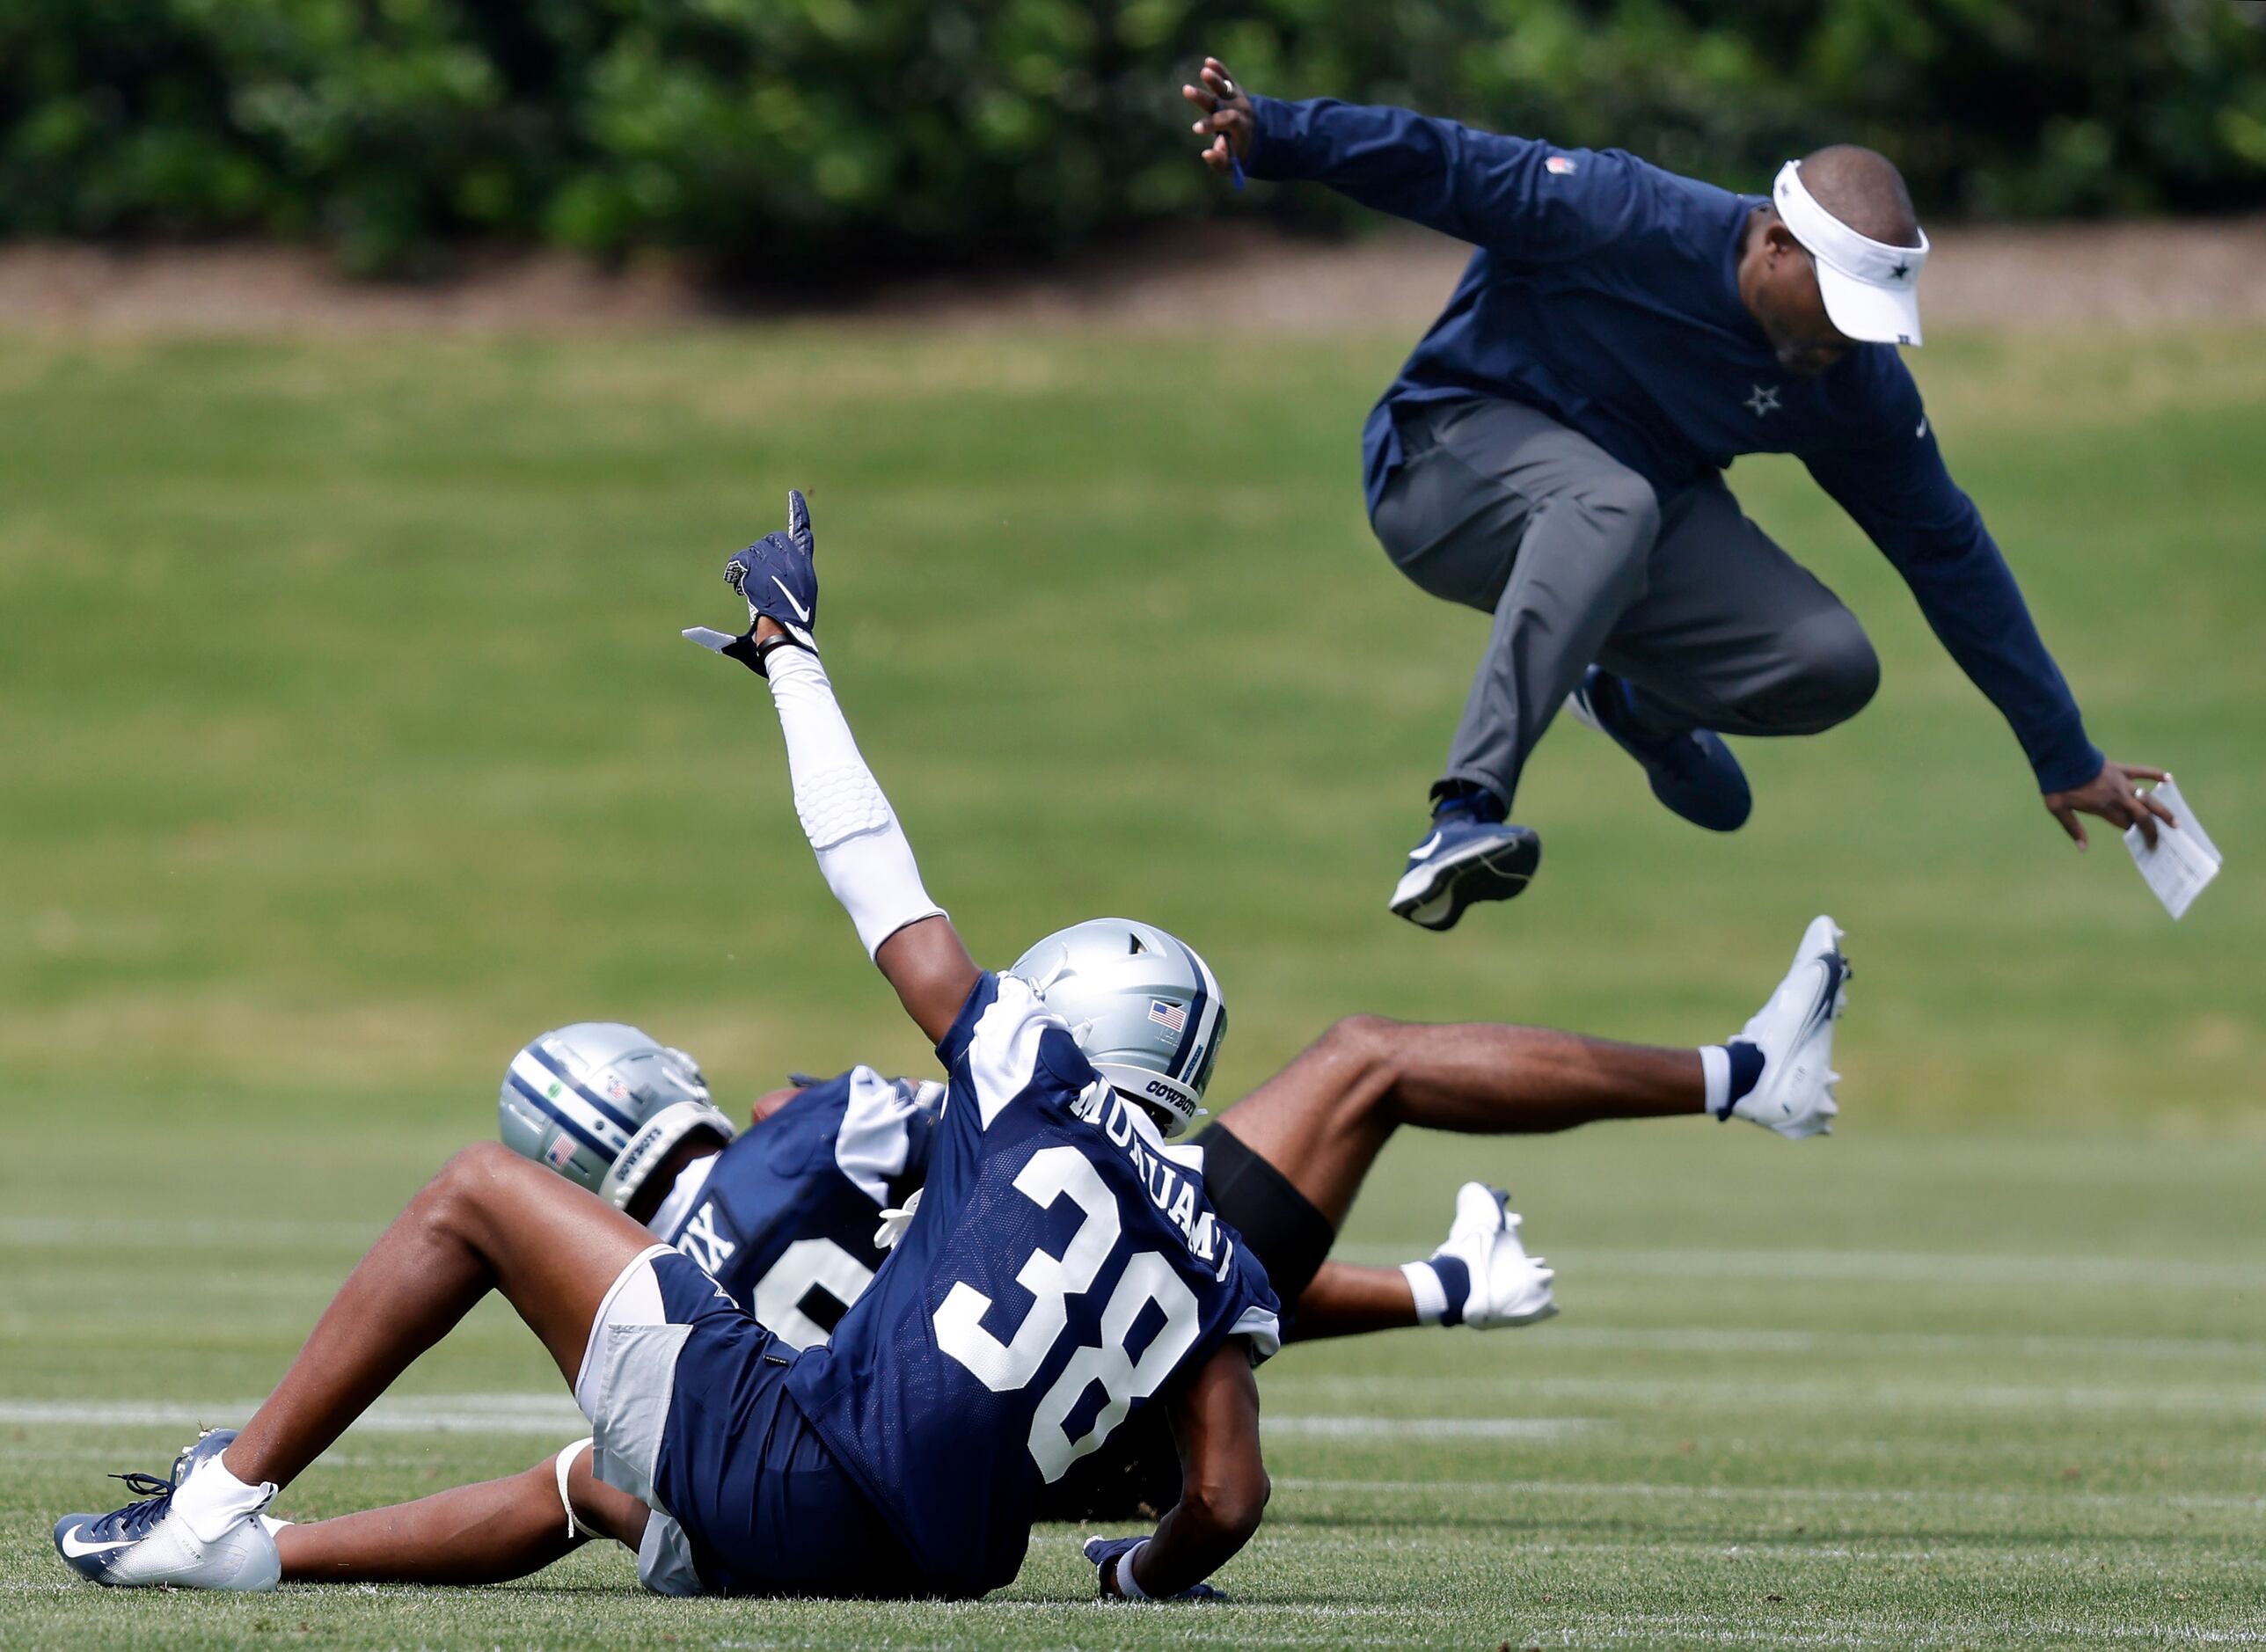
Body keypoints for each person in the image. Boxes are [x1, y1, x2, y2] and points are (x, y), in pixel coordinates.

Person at [49, 494, 1287, 1604]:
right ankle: (264, 1560)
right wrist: (1137, 1567)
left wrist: (793, 662)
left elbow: (878, 881)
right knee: (597, 1479)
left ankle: (217, 1504)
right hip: (929, 1567)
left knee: (476, 1192)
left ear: (1070, 1009)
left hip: (807, 1473)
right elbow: (1229, 1494)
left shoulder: (1031, 1068)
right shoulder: (1217, 1250)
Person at [247, 888, 1851, 1583]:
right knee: (1365, 1055)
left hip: (950, 1482)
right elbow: (1146, 1276)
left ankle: (252, 1533)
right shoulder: (828, 1135)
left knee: (581, 1482)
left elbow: (555, 1493)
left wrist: (1432, 1287)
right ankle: (1738, 1075)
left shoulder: (692, 1306)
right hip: (1070, 1436)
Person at [1178, 59, 2173, 932]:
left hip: (1621, 513)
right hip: (1442, 468)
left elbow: (1943, 550)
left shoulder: (1847, 379)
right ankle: (1462, 814)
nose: (1842, 338)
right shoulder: (1621, 213)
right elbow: (1443, 160)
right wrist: (1275, 133)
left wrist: (2058, 749)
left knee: (1826, 662)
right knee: (1612, 504)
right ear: (1775, 243)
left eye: (1868, 322)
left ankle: (1629, 707)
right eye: (1833, 305)